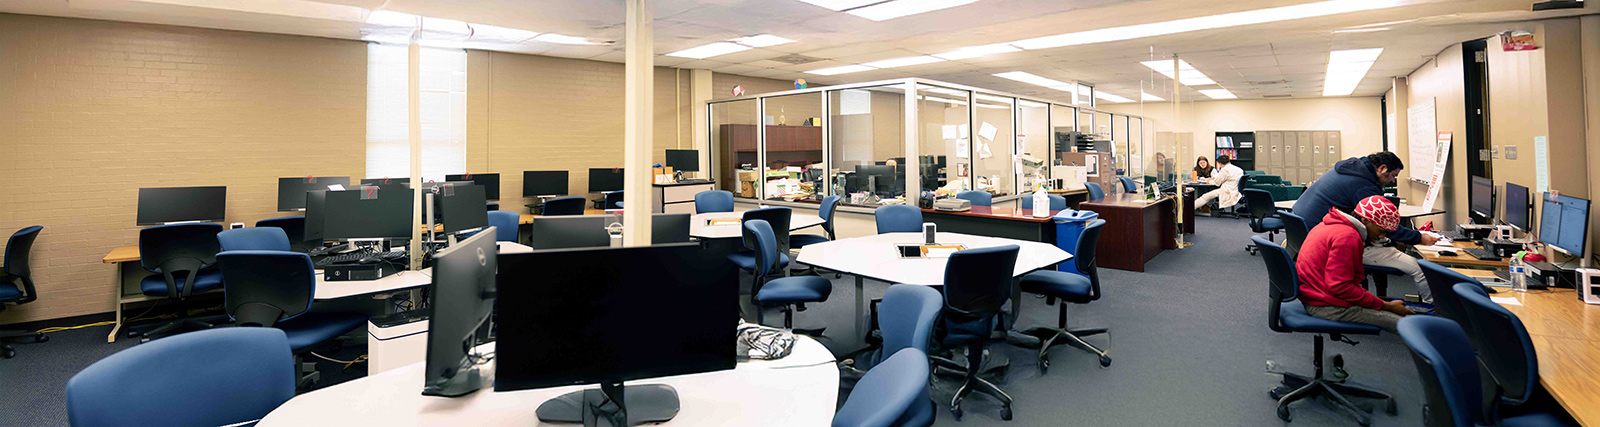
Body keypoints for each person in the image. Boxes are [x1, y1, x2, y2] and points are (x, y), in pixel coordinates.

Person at [1292, 152, 1439, 302]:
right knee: (1418, 268)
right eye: (1392, 175)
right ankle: (1435, 309)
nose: (1392, 180)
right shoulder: (1363, 186)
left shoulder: (1351, 169)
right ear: (1382, 168)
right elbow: (1382, 224)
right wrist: (1419, 237)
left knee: (1385, 241)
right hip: (1332, 242)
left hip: (1309, 230)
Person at [1296, 196, 1415, 332]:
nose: (1382, 237)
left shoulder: (1330, 224)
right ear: (1364, 220)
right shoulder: (1348, 237)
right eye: (1381, 231)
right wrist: (1386, 306)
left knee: (1396, 315)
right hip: (1325, 305)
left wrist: (1379, 303)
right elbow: (1340, 287)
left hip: (1314, 295)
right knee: (1409, 326)